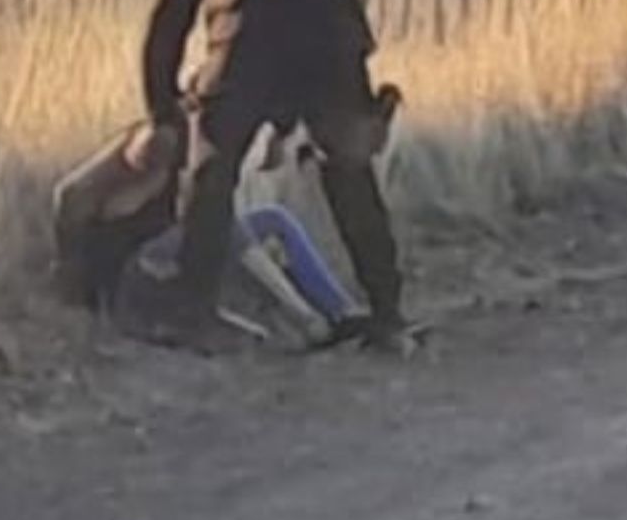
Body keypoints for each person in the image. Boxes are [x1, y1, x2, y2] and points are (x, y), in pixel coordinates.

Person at [137, 0, 412, 349]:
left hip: (244, 45)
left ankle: (193, 310)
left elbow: (165, 29)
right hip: (333, 52)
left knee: (212, 174)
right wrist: (332, 114)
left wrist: (164, 111)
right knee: (350, 175)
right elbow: (323, 13)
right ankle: (388, 315)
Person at [50, 118, 398, 351]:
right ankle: (307, 319)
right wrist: (73, 267)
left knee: (271, 219)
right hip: (136, 276)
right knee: (222, 224)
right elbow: (68, 193)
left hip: (171, 268)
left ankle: (341, 312)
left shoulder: (203, 156)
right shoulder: (154, 142)